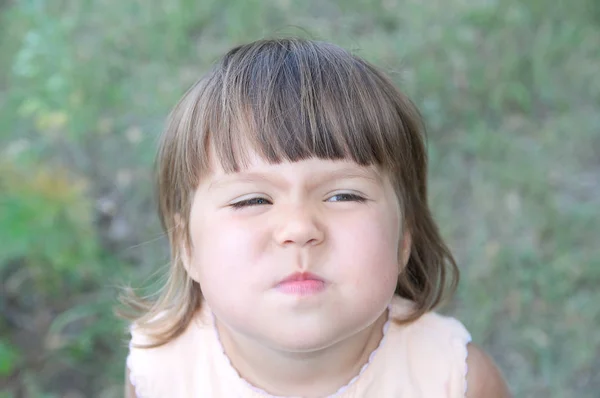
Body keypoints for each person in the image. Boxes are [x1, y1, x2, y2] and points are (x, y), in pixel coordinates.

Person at [121, 38, 511, 397]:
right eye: (252, 200)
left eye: (344, 195)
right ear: (187, 246)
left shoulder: (455, 381)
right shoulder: (159, 372)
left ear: (403, 238)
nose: (299, 228)